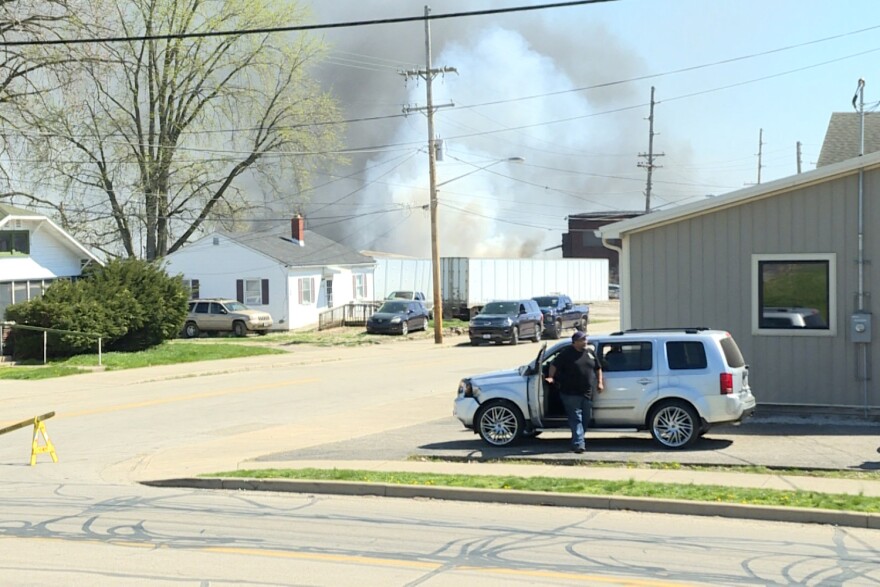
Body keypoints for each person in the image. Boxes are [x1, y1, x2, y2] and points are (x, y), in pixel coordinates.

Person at [545, 330, 604, 453]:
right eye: (583, 340)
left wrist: (600, 382)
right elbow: (553, 365)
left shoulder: (590, 352)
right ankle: (579, 444)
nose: (585, 341)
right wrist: (551, 377)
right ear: (575, 342)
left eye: (585, 339)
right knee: (576, 418)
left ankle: (577, 439)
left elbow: (598, 368)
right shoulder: (566, 354)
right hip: (570, 393)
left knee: (586, 419)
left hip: (587, 392)